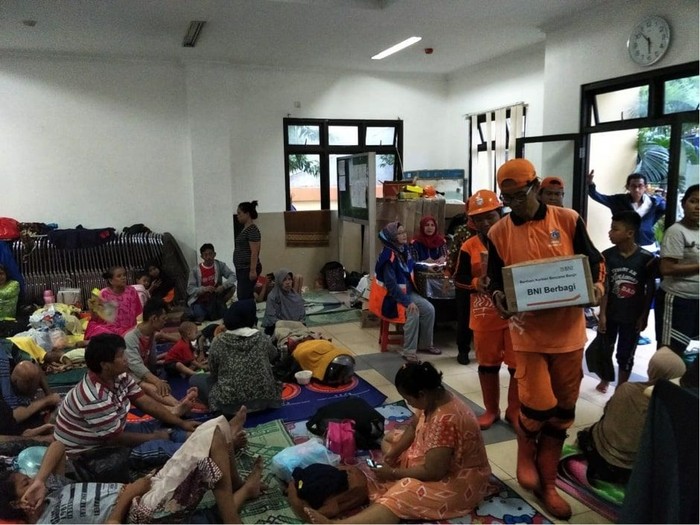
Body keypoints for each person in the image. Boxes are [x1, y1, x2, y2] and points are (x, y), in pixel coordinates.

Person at [487, 158, 605, 519]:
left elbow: (595, 261)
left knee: (563, 412)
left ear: (535, 186)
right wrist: (501, 301)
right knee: (538, 405)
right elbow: (495, 281)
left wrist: (598, 287)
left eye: (519, 195)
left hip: (569, 335)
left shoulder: (568, 220)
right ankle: (526, 449)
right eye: (506, 198)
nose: (513, 203)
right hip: (528, 335)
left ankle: (549, 483)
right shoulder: (499, 233)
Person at [304, 361, 494, 524]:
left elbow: (434, 471)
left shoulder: (445, 420)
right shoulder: (434, 396)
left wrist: (394, 472)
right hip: (430, 457)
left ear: (421, 394)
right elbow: (413, 427)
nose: (409, 404)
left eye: (409, 399)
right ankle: (349, 500)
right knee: (390, 439)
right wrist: (393, 455)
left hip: (457, 480)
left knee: (403, 491)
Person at [3, 408, 263, 524]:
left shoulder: (51, 489)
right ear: (18, 504)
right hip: (138, 512)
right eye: (25, 483)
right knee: (215, 436)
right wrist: (130, 492)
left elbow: (58, 444)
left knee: (217, 426)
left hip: (143, 493)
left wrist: (38, 481)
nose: (33, 480)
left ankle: (243, 488)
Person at [53, 333, 199, 469]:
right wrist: (153, 437)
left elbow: (144, 401)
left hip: (111, 433)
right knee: (168, 448)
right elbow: (115, 439)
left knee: (162, 429)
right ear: (105, 364)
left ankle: (198, 437)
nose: (126, 359)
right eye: (121, 356)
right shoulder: (94, 397)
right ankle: (201, 447)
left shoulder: (119, 376)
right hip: (91, 454)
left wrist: (181, 423)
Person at [454, 189, 518, 429]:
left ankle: (514, 410)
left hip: (515, 316)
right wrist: (475, 283)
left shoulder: (516, 238)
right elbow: (458, 279)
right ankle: (491, 410)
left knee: (516, 366)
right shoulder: (469, 246)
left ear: (500, 213)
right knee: (488, 365)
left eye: (489, 216)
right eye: (478, 218)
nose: (484, 222)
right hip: (484, 315)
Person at [577, 347, 686, 485]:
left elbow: (607, 413)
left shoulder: (627, 388)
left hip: (597, 455)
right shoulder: (665, 406)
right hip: (630, 470)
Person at [596, 211, 656, 392]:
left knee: (626, 353)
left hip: (632, 315)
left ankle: (620, 388)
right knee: (605, 350)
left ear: (630, 233)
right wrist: (602, 315)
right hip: (611, 313)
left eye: (615, 229)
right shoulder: (606, 256)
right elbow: (604, 287)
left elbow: (649, 290)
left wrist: (644, 316)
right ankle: (605, 379)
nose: (610, 232)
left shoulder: (646, 259)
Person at [189, 299, 282, 416]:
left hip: (230, 407)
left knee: (195, 379)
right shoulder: (261, 337)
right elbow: (273, 356)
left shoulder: (218, 341)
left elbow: (213, 371)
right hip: (265, 401)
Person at [369, 222, 439, 362]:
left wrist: (427, 268)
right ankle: (409, 352)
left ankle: (425, 344)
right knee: (414, 311)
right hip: (390, 298)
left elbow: (411, 264)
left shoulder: (402, 250)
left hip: (407, 292)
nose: (404, 235)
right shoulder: (388, 257)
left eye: (404, 232)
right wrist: (408, 302)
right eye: (399, 233)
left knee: (429, 309)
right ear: (392, 237)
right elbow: (391, 286)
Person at [123, 298, 195, 412]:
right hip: (129, 373)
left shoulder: (151, 334)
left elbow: (151, 359)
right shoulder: (130, 337)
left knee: (156, 385)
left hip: (141, 371)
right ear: (154, 319)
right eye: (163, 319)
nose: (165, 322)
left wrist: (154, 374)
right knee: (151, 387)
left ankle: (179, 405)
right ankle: (177, 406)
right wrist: (156, 381)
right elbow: (135, 366)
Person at [655, 184, 699, 356]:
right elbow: (666, 268)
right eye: (693, 201)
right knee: (669, 351)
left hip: (696, 300)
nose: (698, 207)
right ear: (683, 203)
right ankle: (661, 382)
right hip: (677, 299)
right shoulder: (676, 231)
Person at [586, 170, 666, 250]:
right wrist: (590, 184)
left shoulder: (654, 203)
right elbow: (597, 196)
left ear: (645, 187)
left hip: (647, 246)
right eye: (633, 186)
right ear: (628, 187)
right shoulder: (618, 201)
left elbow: (662, 212)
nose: (637, 189)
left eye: (640, 186)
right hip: (625, 246)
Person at [0, 353, 61, 432]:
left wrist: (49, 394)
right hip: (7, 417)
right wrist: (47, 400)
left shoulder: (6, 346)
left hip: (12, 402)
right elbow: (10, 417)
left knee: (27, 369)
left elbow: (33, 362)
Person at [84, 266, 142, 339]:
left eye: (124, 275)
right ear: (111, 280)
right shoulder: (103, 294)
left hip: (130, 330)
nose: (123, 278)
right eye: (119, 276)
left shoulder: (132, 291)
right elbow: (97, 318)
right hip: (111, 331)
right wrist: (92, 308)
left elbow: (137, 311)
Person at [186, 243, 237, 322]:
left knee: (232, 287)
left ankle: (220, 305)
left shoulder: (220, 265)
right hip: (201, 301)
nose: (208, 257)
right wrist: (204, 289)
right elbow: (190, 289)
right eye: (205, 255)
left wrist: (223, 286)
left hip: (216, 298)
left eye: (210, 254)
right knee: (200, 316)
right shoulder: (195, 270)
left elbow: (233, 276)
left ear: (214, 254)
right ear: (202, 257)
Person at [261, 268, 306, 335]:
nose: (288, 282)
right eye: (284, 280)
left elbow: (302, 317)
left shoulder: (296, 296)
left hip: (295, 328)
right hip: (279, 328)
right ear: (279, 281)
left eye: (289, 279)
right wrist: (288, 325)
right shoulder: (273, 296)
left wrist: (296, 325)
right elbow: (271, 318)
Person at [234, 200, 263, 301]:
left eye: (239, 213)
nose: (237, 216)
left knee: (243, 295)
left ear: (247, 214)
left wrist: (252, 270)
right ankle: (248, 314)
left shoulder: (252, 230)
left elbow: (255, 252)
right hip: (242, 268)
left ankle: (248, 315)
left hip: (248, 268)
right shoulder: (244, 229)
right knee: (244, 295)